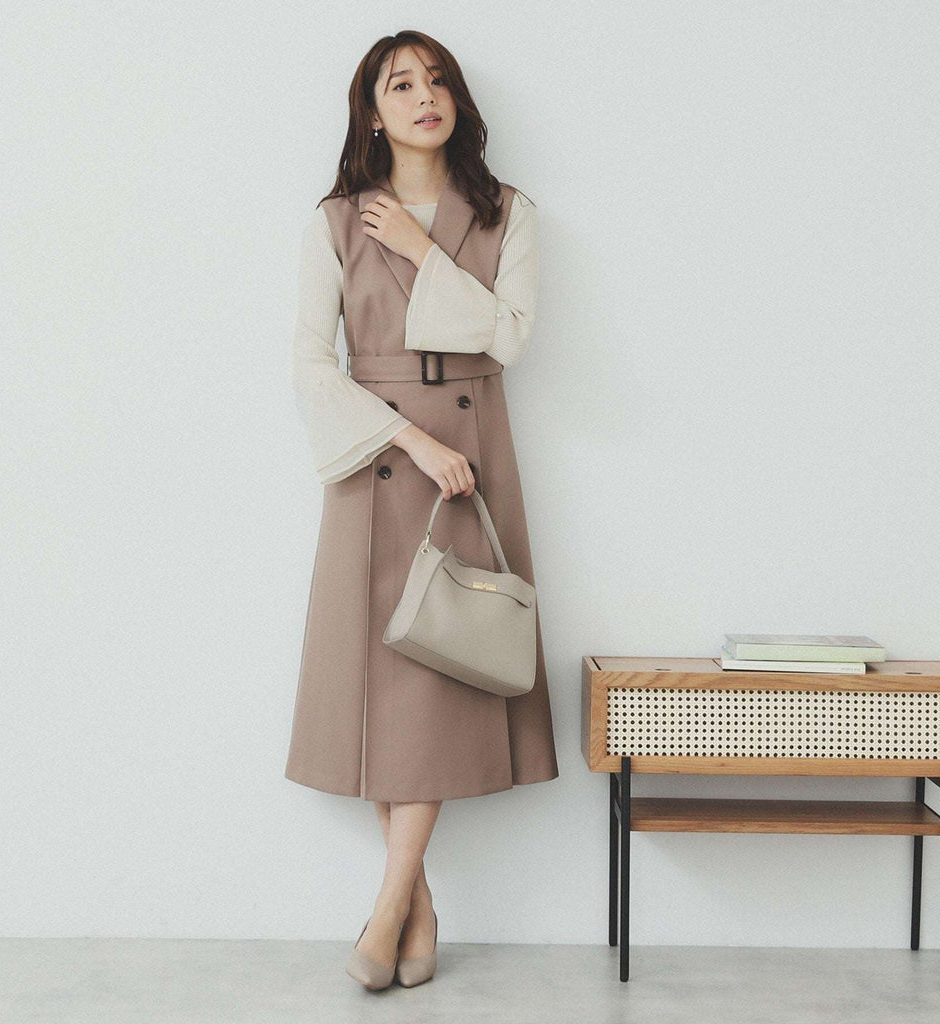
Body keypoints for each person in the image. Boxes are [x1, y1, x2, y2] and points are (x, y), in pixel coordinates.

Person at [285, 30, 559, 990]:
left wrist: (419, 249)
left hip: (474, 458)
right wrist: (412, 440)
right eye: (400, 84)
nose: (423, 96)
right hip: (381, 457)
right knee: (387, 685)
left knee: (445, 669)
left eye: (437, 80)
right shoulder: (334, 221)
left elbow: (510, 338)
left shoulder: (508, 212)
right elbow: (310, 365)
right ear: (372, 112)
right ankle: (417, 903)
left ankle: (392, 904)